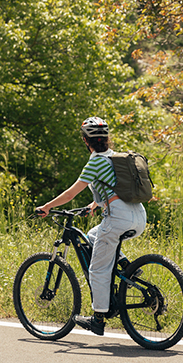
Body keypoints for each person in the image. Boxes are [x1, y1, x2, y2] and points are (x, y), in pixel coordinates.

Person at [36, 116, 147, 336]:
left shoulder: (95, 162)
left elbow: (70, 193)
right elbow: (115, 189)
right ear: (107, 139)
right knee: (93, 235)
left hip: (118, 218)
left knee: (97, 270)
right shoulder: (116, 158)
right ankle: (126, 266)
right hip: (138, 216)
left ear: (86, 141)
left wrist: (47, 206)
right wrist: (94, 205)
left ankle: (98, 319)